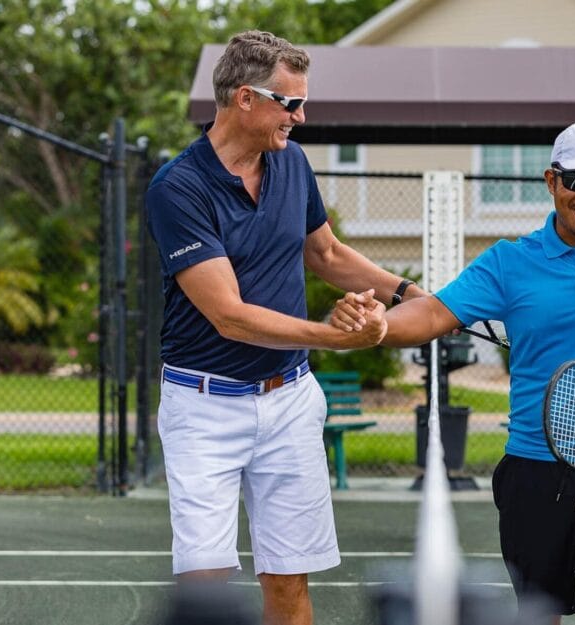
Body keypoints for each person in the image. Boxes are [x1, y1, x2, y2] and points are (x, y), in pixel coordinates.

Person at [333, 121, 575, 625]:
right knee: (538, 614)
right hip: (534, 470)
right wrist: (379, 326)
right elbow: (434, 312)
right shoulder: (509, 262)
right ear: (551, 181)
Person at [144, 30, 424, 625]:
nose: (300, 116)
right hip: (203, 409)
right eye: (290, 103)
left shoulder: (292, 162)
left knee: (289, 580)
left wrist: (412, 295)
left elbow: (325, 253)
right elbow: (229, 315)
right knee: (205, 589)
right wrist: (338, 338)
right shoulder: (177, 188)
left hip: (290, 401)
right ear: (245, 98)